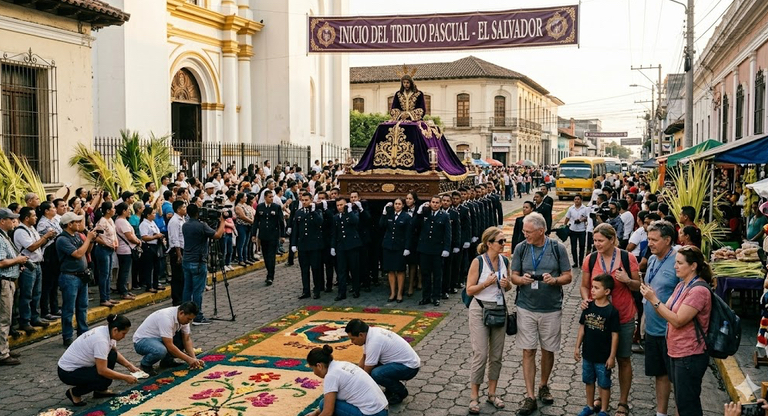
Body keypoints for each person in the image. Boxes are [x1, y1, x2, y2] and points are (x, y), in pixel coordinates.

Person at [509, 212, 572, 415]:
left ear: (541, 231)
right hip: (526, 307)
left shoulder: (557, 248)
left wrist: (555, 280)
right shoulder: (521, 248)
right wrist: (521, 280)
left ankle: (543, 385)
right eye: (524, 231)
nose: (524, 234)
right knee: (528, 350)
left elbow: (568, 276)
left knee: (548, 349)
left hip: (551, 307)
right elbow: (513, 276)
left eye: (528, 232)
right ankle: (530, 396)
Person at [640, 246, 713, 416]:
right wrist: (653, 299)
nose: (675, 267)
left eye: (680, 263)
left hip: (689, 354)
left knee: (688, 404)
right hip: (676, 350)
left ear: (693, 266)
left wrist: (653, 299)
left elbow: (678, 320)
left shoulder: (698, 291)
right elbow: (668, 311)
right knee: (681, 400)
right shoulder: (682, 285)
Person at [580, 223, 640, 416]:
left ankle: (623, 402)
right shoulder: (590, 260)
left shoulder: (627, 258)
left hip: (623, 316)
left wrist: (627, 280)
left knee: (622, 358)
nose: (597, 244)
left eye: (601, 240)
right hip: (597, 319)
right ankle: (601, 398)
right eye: (595, 240)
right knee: (599, 359)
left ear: (612, 239)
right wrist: (586, 300)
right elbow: (584, 286)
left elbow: (638, 286)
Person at [465, 227, 513, 414]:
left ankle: (492, 393)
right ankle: (474, 396)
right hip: (480, 309)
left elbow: (508, 287)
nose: (503, 244)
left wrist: (506, 284)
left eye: (504, 241)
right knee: (481, 354)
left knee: (496, 355)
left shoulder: (504, 260)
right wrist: (486, 283)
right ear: (489, 244)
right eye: (500, 241)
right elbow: (469, 290)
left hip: (499, 309)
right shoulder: (478, 262)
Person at [57, 314, 139, 406]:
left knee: (111, 355)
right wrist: (125, 377)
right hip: (67, 372)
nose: (124, 337)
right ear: (115, 330)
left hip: (82, 367)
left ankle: (100, 390)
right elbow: (102, 370)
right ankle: (75, 393)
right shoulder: (101, 340)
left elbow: (114, 353)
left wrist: (129, 365)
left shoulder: (107, 331)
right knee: (102, 377)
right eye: (123, 333)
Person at [640, 220, 678, 416]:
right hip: (653, 328)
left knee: (678, 379)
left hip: (672, 331)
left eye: (654, 240)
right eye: (648, 239)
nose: (650, 243)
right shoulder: (654, 258)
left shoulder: (679, 260)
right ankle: (661, 413)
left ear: (668, 240)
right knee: (660, 374)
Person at [574, 273, 620, 416]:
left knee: (604, 383)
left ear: (607, 292)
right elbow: (582, 327)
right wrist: (577, 347)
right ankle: (589, 405)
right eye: (592, 287)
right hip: (588, 352)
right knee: (588, 380)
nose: (592, 290)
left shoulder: (612, 311)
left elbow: (615, 334)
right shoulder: (588, 306)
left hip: (603, 356)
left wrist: (612, 356)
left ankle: (604, 410)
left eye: (596, 288)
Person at [346, 319, 420, 405]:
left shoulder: (374, 341)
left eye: (353, 339)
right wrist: (355, 375)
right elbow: (365, 358)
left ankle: (400, 392)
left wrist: (358, 386)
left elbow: (367, 369)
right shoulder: (370, 334)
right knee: (373, 370)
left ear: (361, 335)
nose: (352, 342)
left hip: (409, 367)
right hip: (401, 363)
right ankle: (390, 389)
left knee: (376, 374)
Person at [305, 345, 389, 416]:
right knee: (324, 403)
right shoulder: (341, 364)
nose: (314, 372)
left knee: (325, 405)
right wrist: (316, 413)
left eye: (313, 369)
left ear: (319, 366)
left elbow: (328, 412)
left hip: (373, 413)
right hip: (382, 408)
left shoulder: (331, 376)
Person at [57, 212, 98, 347]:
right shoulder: (63, 239)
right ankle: (67, 336)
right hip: (70, 277)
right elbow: (78, 253)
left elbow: (87, 251)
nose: (79, 224)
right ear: (69, 224)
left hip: (81, 276)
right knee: (69, 308)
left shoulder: (76, 236)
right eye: (76, 222)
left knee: (83, 306)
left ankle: (83, 333)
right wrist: (88, 239)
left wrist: (90, 240)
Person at [133, 302, 205, 376]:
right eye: (188, 319)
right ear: (181, 313)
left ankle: (167, 361)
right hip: (142, 341)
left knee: (180, 338)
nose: (189, 322)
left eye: (191, 319)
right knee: (160, 350)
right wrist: (188, 360)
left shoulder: (183, 318)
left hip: (160, 339)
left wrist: (194, 359)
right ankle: (145, 365)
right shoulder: (166, 317)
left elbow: (186, 339)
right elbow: (169, 345)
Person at [181, 204, 225, 325]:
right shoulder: (201, 226)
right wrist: (222, 222)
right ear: (197, 213)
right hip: (198, 261)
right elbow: (217, 235)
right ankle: (197, 316)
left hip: (187, 260)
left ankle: (184, 314)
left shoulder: (185, 225)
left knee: (187, 289)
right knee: (197, 291)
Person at [14, 207, 55, 334]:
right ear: (26, 218)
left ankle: (34, 317)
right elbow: (31, 247)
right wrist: (46, 237)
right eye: (33, 216)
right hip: (28, 265)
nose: (36, 217)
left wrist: (46, 239)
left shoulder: (31, 229)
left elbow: (38, 244)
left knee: (36, 293)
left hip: (37, 264)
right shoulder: (21, 231)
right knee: (27, 294)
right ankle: (25, 320)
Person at [0, 208, 28, 365]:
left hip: (10, 280)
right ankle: (2, 354)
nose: (14, 222)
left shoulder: (5, 236)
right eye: (11, 219)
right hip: (4, 281)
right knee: (4, 318)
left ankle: (5, 348)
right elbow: (1, 262)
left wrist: (18, 262)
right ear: (2, 221)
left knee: (6, 317)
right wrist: (17, 261)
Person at [413, 196, 451, 307]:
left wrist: (446, 248)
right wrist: (419, 213)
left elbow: (447, 234)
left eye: (437, 203)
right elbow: (414, 225)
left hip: (437, 250)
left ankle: (436, 297)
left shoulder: (444, 216)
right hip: (424, 249)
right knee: (425, 274)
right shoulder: (425, 214)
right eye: (433, 202)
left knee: (437, 275)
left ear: (440, 204)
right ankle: (426, 297)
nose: (434, 204)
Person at [291, 193, 324, 299]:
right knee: (304, 269)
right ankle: (306, 291)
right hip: (303, 246)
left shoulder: (317, 211)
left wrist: (313, 211)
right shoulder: (298, 212)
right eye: (303, 200)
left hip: (314, 246)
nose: (304, 202)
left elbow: (320, 222)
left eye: (306, 200)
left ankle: (317, 290)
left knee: (315, 268)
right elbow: (295, 229)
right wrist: (293, 243)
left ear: (311, 200)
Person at [379, 199, 412, 303]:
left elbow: (408, 234)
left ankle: (399, 293)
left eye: (399, 204)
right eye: (395, 204)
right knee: (390, 270)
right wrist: (384, 213)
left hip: (400, 247)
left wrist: (407, 248)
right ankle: (392, 292)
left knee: (400, 270)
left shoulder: (406, 217)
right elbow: (381, 225)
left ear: (402, 206)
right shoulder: (389, 214)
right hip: (389, 245)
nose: (397, 206)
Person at [330, 197, 363, 301]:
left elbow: (355, 222)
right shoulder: (335, 217)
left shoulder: (352, 213)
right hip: (341, 247)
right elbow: (334, 233)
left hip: (352, 245)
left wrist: (349, 211)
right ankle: (341, 292)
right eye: (338, 205)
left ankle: (356, 290)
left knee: (354, 269)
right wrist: (333, 246)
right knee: (341, 270)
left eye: (341, 205)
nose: (340, 207)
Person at [253, 190, 285, 285]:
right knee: (266, 256)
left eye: (272, 197)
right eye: (270, 197)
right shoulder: (260, 207)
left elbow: (281, 222)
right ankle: (269, 270)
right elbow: (256, 222)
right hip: (263, 235)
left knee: (271, 256)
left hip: (273, 235)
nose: (272, 198)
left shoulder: (276, 207)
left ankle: (270, 276)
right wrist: (254, 234)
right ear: (265, 197)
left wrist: (282, 235)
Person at [93, 202, 118, 307]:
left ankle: (107, 296)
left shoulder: (110, 220)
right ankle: (103, 298)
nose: (114, 210)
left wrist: (115, 242)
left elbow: (113, 234)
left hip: (110, 249)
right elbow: (95, 236)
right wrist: (107, 243)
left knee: (108, 274)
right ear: (108, 210)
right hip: (103, 249)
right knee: (104, 274)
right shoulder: (102, 222)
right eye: (113, 208)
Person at [114, 202, 140, 300]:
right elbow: (129, 236)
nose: (129, 211)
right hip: (125, 249)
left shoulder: (119, 220)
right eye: (128, 209)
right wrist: (137, 241)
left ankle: (122, 289)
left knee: (123, 271)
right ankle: (123, 292)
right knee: (124, 271)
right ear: (124, 211)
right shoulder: (122, 222)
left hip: (123, 249)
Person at [139, 207, 165, 293]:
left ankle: (156, 283)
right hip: (148, 246)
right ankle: (149, 285)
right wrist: (155, 236)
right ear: (148, 215)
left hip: (155, 245)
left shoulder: (153, 222)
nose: (155, 215)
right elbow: (144, 237)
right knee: (149, 267)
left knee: (157, 266)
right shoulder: (144, 224)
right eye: (153, 213)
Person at [166, 200, 186, 305]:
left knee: (182, 276)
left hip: (183, 249)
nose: (185, 208)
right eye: (183, 207)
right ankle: (177, 299)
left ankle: (182, 296)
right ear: (178, 209)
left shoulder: (182, 219)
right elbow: (175, 238)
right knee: (177, 276)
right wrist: (179, 254)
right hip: (176, 250)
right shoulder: (174, 221)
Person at [564, 195, 590, 268]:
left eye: (578, 199)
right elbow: (567, 218)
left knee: (582, 247)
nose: (576, 201)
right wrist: (564, 226)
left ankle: (581, 262)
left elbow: (588, 218)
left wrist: (581, 220)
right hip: (573, 230)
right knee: (573, 247)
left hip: (582, 230)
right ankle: (575, 262)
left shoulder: (585, 209)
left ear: (581, 200)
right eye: (575, 199)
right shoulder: (571, 208)